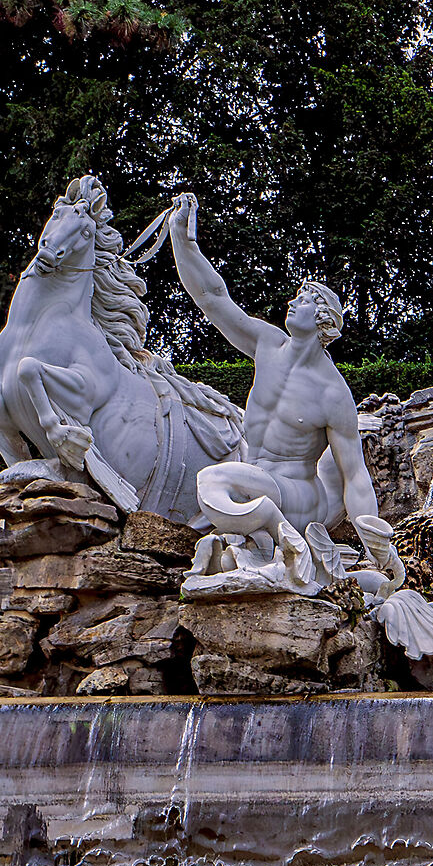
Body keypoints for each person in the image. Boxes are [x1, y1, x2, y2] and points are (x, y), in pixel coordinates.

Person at [162, 193, 392, 586]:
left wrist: (378, 551)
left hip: (297, 497)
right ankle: (259, 533)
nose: (292, 302)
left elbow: (354, 477)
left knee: (210, 481)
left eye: (303, 301)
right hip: (257, 475)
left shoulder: (332, 393)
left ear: (323, 319)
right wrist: (183, 241)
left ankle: (270, 522)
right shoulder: (267, 344)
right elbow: (213, 299)